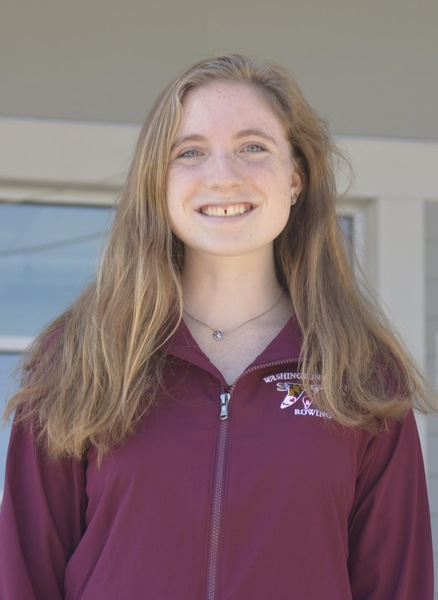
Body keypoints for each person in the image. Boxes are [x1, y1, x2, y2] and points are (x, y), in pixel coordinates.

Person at [0, 54, 434, 599]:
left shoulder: (360, 371)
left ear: (295, 178)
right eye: (191, 152)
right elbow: (23, 575)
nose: (223, 176)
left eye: (253, 147)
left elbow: (398, 583)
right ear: (158, 183)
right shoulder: (81, 357)